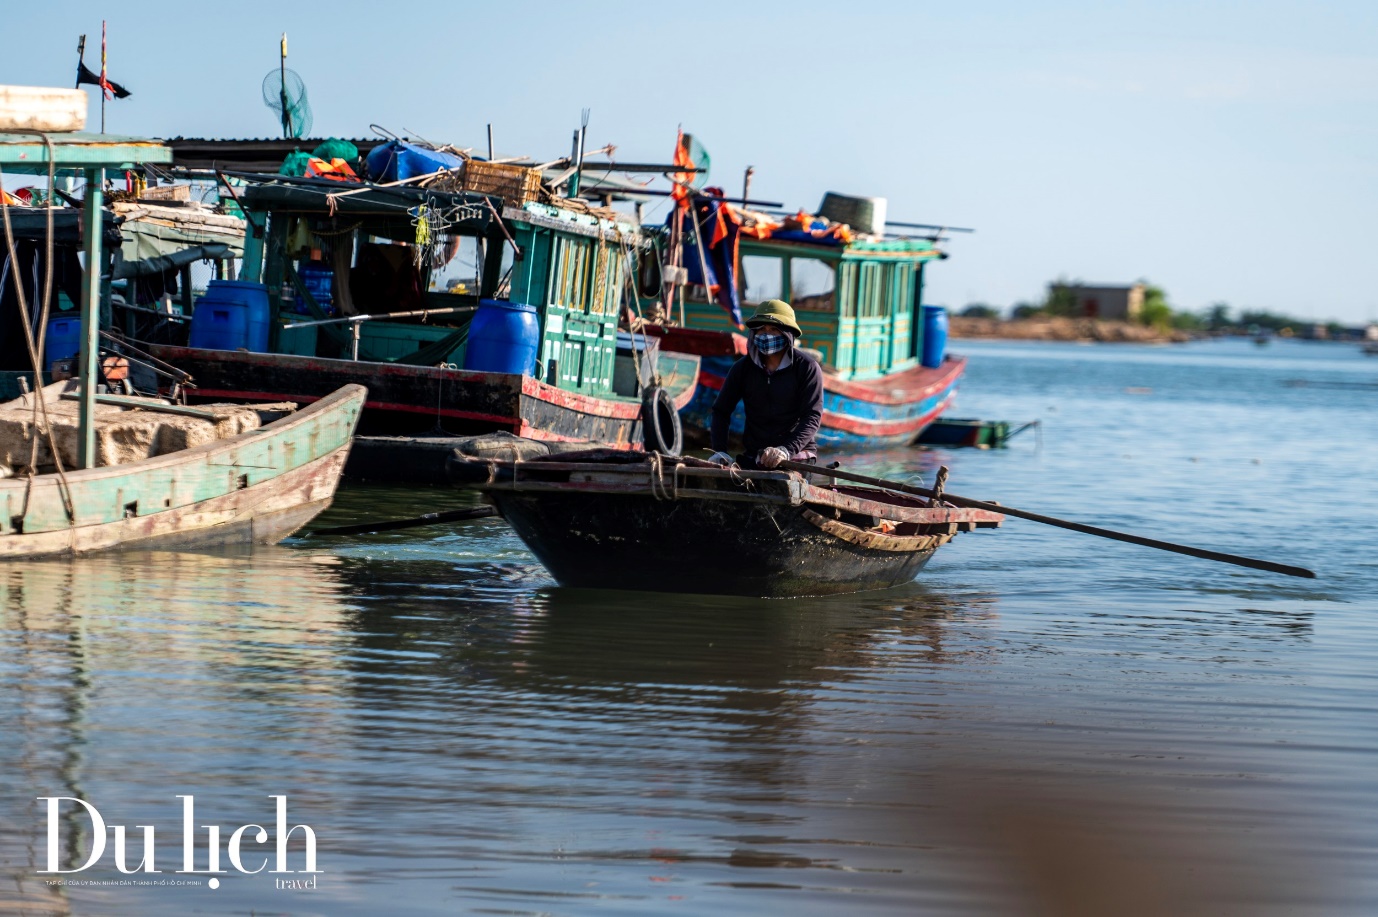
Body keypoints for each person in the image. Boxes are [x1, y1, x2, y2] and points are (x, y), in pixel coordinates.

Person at [707, 299, 824, 470]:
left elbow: (812, 417)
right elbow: (721, 411)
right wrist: (719, 451)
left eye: (774, 329)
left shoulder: (807, 368)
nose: (766, 334)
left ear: (787, 334)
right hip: (756, 455)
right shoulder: (742, 368)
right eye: (761, 328)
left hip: (796, 455)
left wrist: (786, 450)